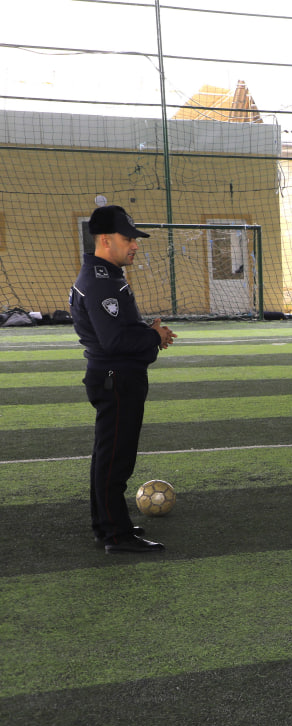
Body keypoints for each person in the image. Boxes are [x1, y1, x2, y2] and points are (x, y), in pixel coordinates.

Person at [69, 204, 176, 554]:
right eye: (127, 238)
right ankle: (116, 535)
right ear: (105, 240)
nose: (134, 244)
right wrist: (153, 336)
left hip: (113, 376)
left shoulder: (105, 276)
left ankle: (107, 525)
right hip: (116, 379)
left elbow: (115, 331)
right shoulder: (102, 282)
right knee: (115, 460)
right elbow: (115, 341)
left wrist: (147, 333)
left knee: (108, 456)